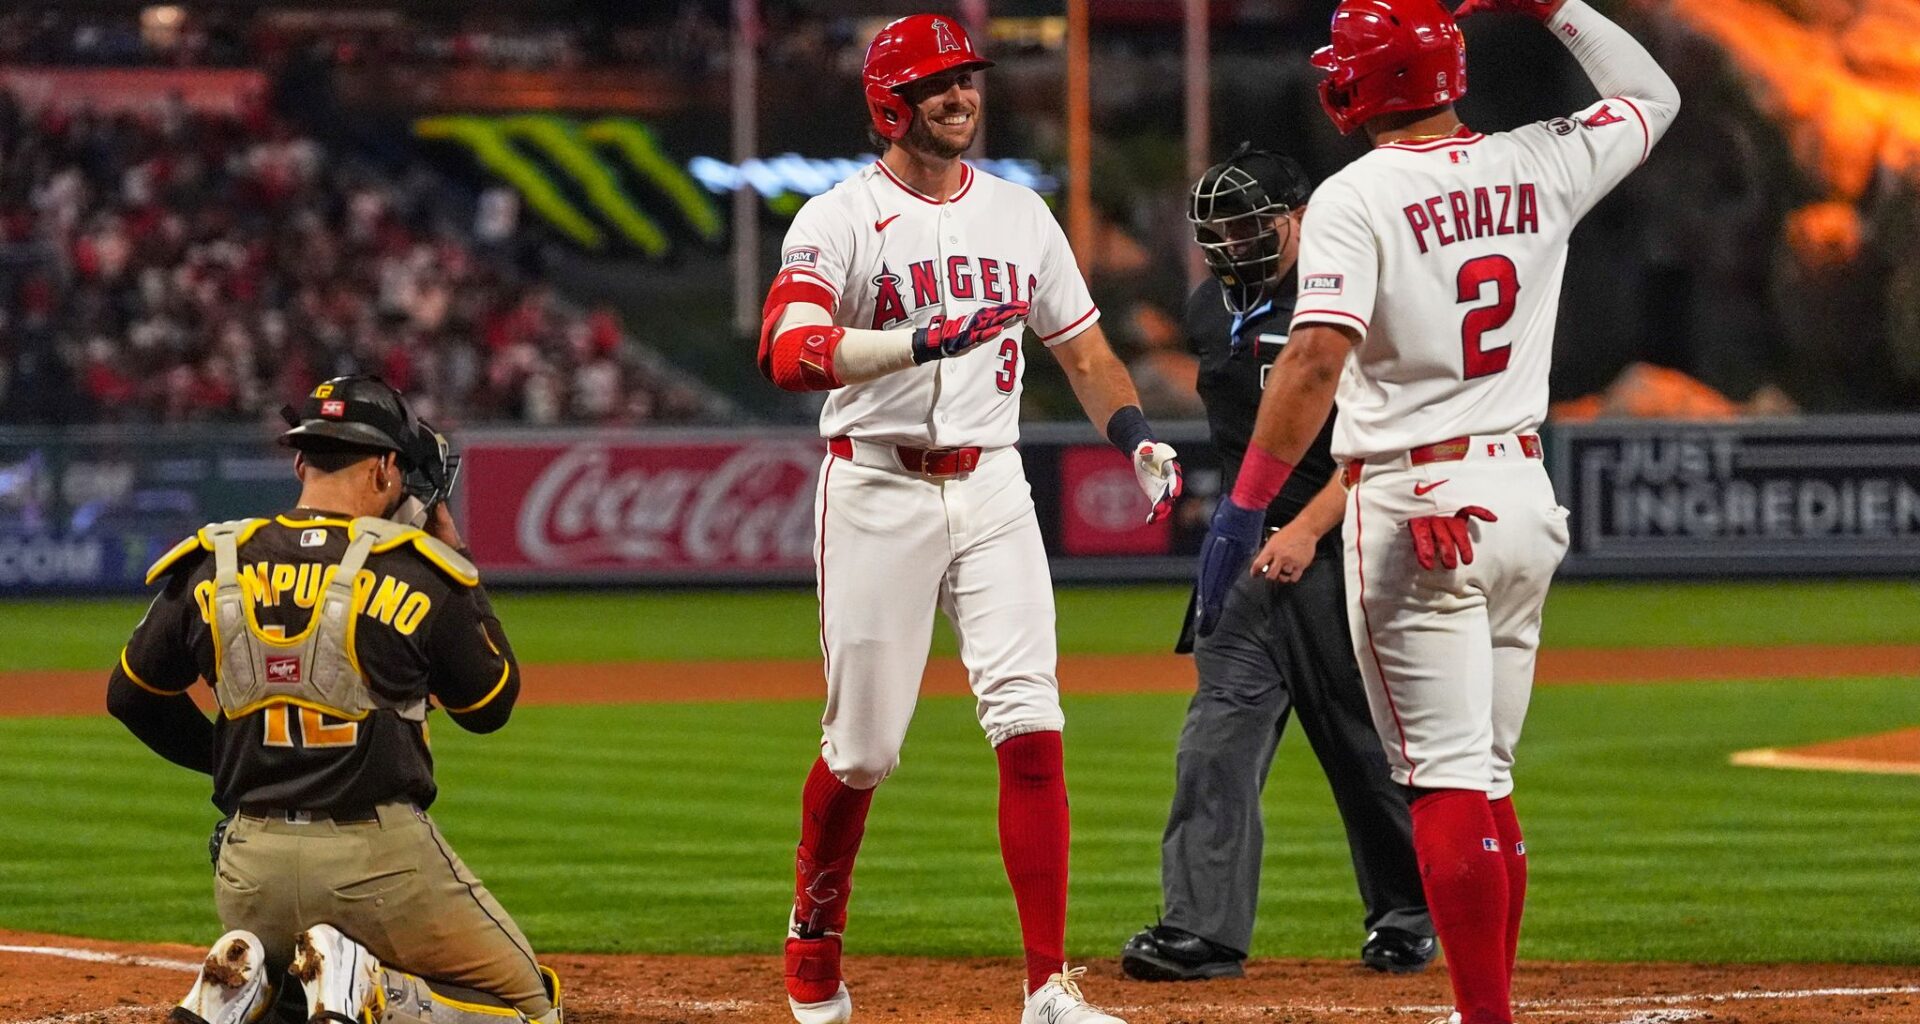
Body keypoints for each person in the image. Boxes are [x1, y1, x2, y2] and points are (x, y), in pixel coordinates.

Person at [1192, 1, 1678, 1021]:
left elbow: (1317, 358)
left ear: (1359, 87)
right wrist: (1555, 6)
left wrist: (1241, 509)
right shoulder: (1538, 159)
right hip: (1519, 491)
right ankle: (1483, 1009)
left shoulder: (1353, 195)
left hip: (1416, 499)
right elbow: (1651, 95)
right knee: (1488, 782)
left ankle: (1484, 1016)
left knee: (1446, 784)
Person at [756, 14, 1182, 1024]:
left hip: (993, 480)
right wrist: (908, 344)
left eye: (968, 80)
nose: (963, 96)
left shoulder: (1021, 216)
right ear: (889, 106)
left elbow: (1082, 349)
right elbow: (786, 348)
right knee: (862, 751)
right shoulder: (839, 217)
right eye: (939, 83)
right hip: (876, 487)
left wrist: (1134, 433)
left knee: (1032, 720)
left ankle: (1047, 986)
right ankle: (814, 934)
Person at [108, 376, 562, 1024]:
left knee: (297, 992)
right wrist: (453, 553)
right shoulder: (414, 570)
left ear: (300, 461)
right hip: (375, 865)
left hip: (248, 871)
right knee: (531, 1009)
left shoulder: (217, 560)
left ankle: (254, 985)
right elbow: (490, 706)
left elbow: (130, 696)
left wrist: (238, 759)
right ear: (382, 468)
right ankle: (376, 987)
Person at [1120, 147, 1433, 983]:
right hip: (1248, 555)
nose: (1233, 239)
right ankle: (1202, 931)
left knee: (1362, 750)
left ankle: (1407, 915)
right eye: (1219, 226)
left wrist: (1305, 529)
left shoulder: (1347, 300)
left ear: (1300, 217)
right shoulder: (1205, 305)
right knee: (1214, 739)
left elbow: (1382, 441)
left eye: (1251, 222)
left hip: (1344, 548)